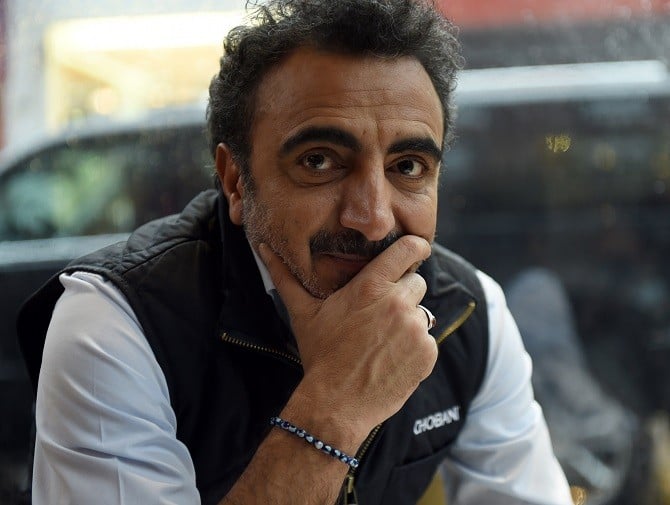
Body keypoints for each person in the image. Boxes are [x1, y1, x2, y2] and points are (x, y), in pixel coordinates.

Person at [17, 0, 574, 503]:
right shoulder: (118, 321)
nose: (373, 218)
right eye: (319, 161)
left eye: (407, 167)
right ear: (236, 181)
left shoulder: (469, 314)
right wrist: (336, 404)